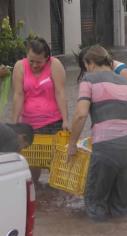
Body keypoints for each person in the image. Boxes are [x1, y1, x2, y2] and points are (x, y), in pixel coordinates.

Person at [67, 45, 127, 221]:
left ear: (89, 63)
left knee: (95, 204)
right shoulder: (126, 82)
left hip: (107, 148)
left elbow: (80, 114)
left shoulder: (89, 80)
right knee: (121, 206)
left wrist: (72, 144)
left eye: (86, 66)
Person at [76, 47, 127, 196]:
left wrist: (122, 123)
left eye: (87, 67)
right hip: (124, 124)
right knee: (125, 171)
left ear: (93, 62)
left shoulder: (122, 72)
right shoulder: (106, 72)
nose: (88, 72)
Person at [11, 37, 68, 184]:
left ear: (47, 58)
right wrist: (14, 123)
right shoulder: (20, 66)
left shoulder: (55, 64)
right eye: (31, 60)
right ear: (27, 55)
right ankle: (35, 200)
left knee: (56, 168)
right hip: (30, 125)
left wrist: (66, 120)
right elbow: (18, 95)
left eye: (39, 62)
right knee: (31, 168)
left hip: (54, 122)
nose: (34, 65)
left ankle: (56, 201)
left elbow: (60, 92)